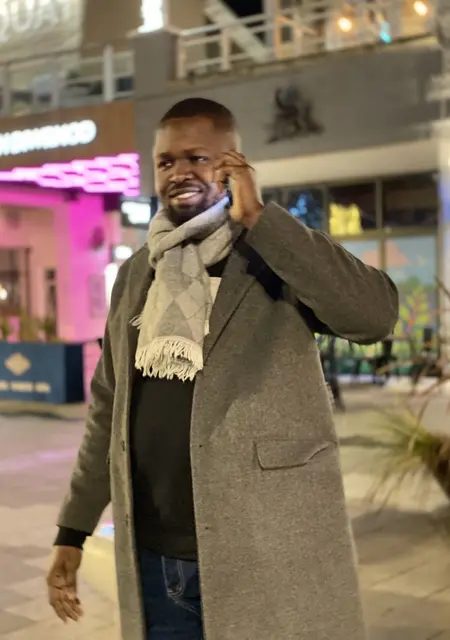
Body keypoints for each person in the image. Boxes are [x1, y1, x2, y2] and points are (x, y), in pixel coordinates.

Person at [47, 98, 399, 640]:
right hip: (153, 557)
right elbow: (108, 409)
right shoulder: (140, 271)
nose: (179, 172)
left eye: (198, 158)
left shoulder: (271, 252)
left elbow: (373, 316)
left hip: (261, 551)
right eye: (166, 162)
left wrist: (259, 219)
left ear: (232, 163)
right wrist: (73, 529)